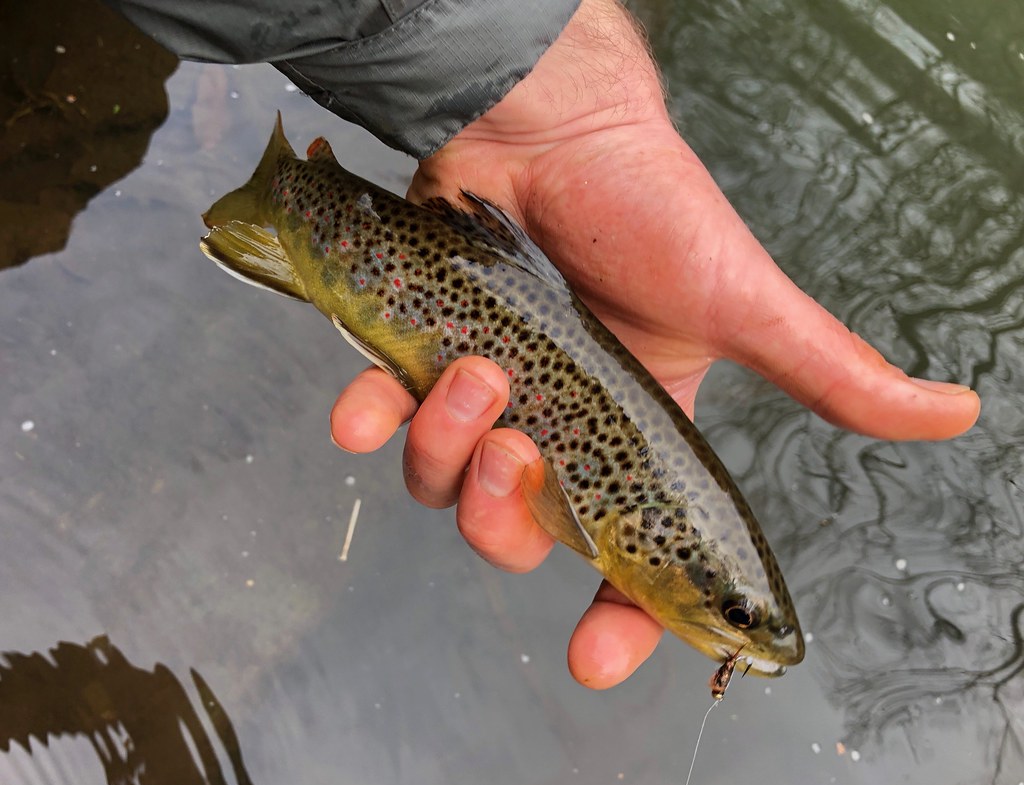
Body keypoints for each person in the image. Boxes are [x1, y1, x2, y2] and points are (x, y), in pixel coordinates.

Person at [104, 0, 980, 688]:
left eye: (739, 618)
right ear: (659, 548)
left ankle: (288, 201)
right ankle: (287, 202)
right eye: (736, 614)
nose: (738, 631)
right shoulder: (623, 534)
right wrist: (544, 102)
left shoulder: (644, 532)